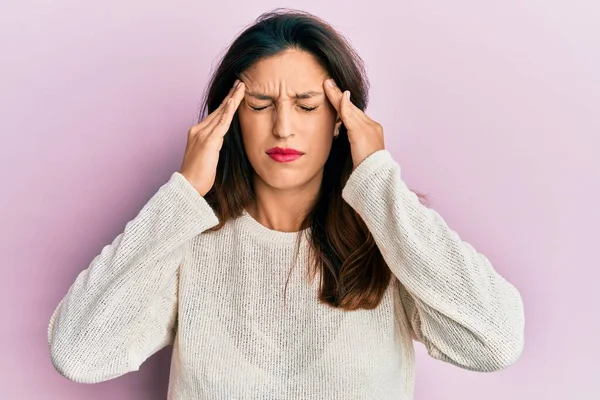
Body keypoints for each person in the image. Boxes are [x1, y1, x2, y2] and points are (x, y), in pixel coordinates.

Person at [47, 8, 525, 400]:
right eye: (258, 105)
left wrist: (379, 182)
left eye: (307, 105)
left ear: (342, 119)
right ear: (230, 117)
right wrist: (183, 195)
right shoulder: (186, 240)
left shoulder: (390, 239)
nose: (283, 128)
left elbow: (496, 341)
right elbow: (79, 352)